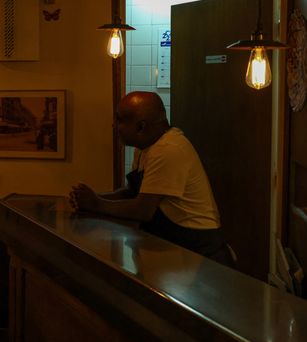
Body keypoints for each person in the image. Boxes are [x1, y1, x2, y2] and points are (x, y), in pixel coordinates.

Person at [70, 91, 233, 266]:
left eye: (119, 120)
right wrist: (93, 198)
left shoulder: (167, 149)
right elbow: (131, 193)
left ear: (141, 127)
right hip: (176, 253)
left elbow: (143, 210)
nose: (114, 125)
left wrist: (96, 204)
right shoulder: (144, 148)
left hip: (199, 255)